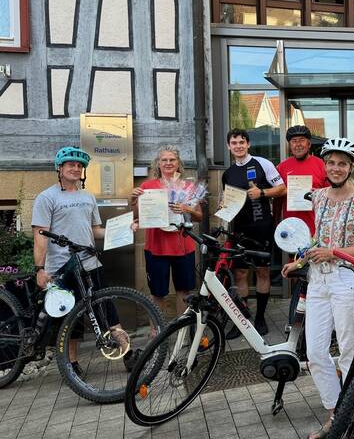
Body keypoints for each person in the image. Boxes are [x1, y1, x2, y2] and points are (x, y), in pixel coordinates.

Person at [282, 138, 354, 439]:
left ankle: (343, 417)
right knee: (314, 353)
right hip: (319, 280)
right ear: (325, 166)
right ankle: (337, 409)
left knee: (350, 352)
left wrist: (334, 252)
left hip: (347, 282)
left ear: (351, 167)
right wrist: (299, 261)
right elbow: (317, 238)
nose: (336, 168)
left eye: (342, 163)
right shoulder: (320, 197)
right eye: (331, 163)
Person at [32, 146, 127, 377]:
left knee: (108, 309)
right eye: (70, 165)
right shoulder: (47, 197)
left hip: (89, 263)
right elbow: (40, 235)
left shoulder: (88, 196)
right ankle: (71, 364)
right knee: (69, 319)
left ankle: (127, 354)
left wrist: (125, 229)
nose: (75, 168)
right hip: (61, 269)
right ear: (60, 168)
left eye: (79, 165)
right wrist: (40, 269)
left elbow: (96, 231)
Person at [221, 128, 286, 336]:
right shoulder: (228, 173)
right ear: (229, 146)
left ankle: (260, 318)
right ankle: (243, 319)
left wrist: (263, 192)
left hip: (262, 229)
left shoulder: (262, 164)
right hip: (239, 231)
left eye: (242, 142)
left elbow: (282, 188)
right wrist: (223, 204)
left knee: (262, 272)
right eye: (234, 143)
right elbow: (227, 202)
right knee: (240, 274)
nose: (238, 146)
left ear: (248, 144)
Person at [130, 145, 204, 317]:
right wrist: (133, 200)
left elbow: (199, 216)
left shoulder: (188, 187)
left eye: (172, 159)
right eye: (164, 160)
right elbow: (137, 217)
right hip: (156, 247)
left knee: (184, 292)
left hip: (183, 247)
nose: (168, 163)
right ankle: (157, 334)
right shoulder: (148, 186)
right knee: (157, 293)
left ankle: (182, 333)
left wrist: (187, 208)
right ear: (158, 164)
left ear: (178, 163)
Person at [276, 125, 328, 236]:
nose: (298, 144)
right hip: (291, 229)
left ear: (309, 144)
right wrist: (276, 223)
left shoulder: (322, 165)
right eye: (294, 141)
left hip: (317, 228)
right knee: (294, 254)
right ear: (290, 145)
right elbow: (277, 200)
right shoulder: (282, 167)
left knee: (315, 254)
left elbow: (331, 195)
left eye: (302, 140)